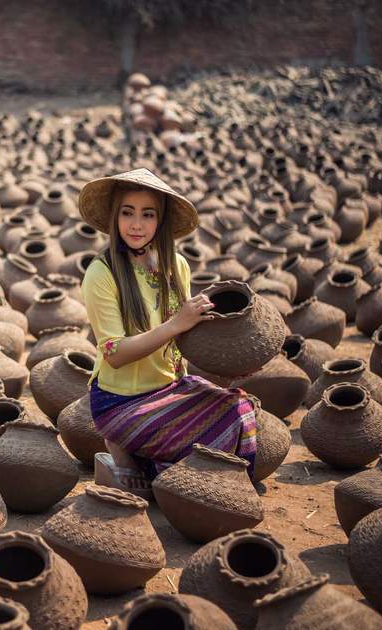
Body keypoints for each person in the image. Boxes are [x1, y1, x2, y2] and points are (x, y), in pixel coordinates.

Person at [78, 168, 257, 497]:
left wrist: (231, 361)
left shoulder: (177, 265)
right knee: (194, 463)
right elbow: (114, 354)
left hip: (171, 387)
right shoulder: (100, 274)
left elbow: (186, 337)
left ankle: (140, 466)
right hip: (120, 401)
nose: (136, 224)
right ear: (114, 217)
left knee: (240, 410)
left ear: (160, 221)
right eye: (127, 213)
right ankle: (126, 449)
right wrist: (176, 323)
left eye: (148, 215)